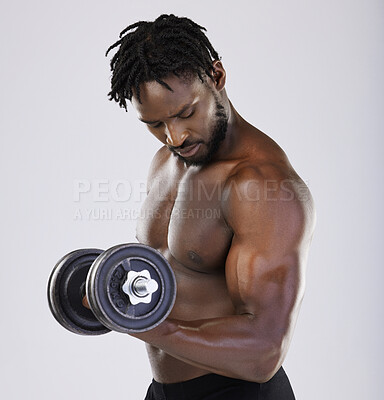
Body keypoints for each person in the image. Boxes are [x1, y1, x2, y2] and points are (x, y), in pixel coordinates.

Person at [105, 14, 316, 400]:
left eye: (186, 113)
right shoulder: (165, 162)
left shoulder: (262, 184)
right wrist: (101, 291)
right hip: (163, 391)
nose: (175, 136)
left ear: (216, 76)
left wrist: (143, 325)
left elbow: (264, 351)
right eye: (155, 124)